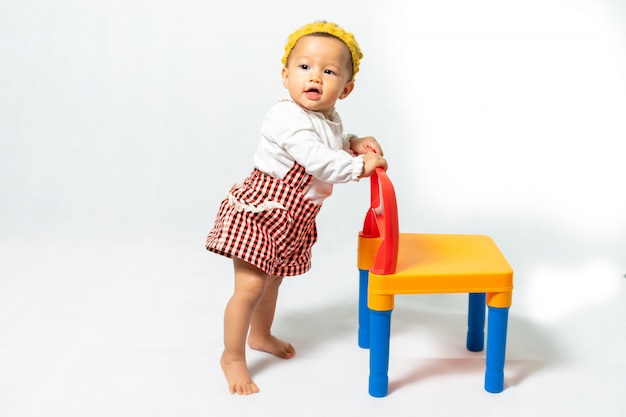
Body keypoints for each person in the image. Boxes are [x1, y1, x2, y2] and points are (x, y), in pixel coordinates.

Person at [205, 20, 388, 395]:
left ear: (346, 88)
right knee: (250, 286)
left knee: (272, 282)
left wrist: (354, 141)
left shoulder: (328, 118)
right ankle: (232, 357)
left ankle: (261, 335)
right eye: (304, 67)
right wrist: (359, 166)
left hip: (293, 218)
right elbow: (317, 158)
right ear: (286, 75)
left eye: (329, 71)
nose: (315, 76)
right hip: (261, 212)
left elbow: (331, 141)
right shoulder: (285, 117)